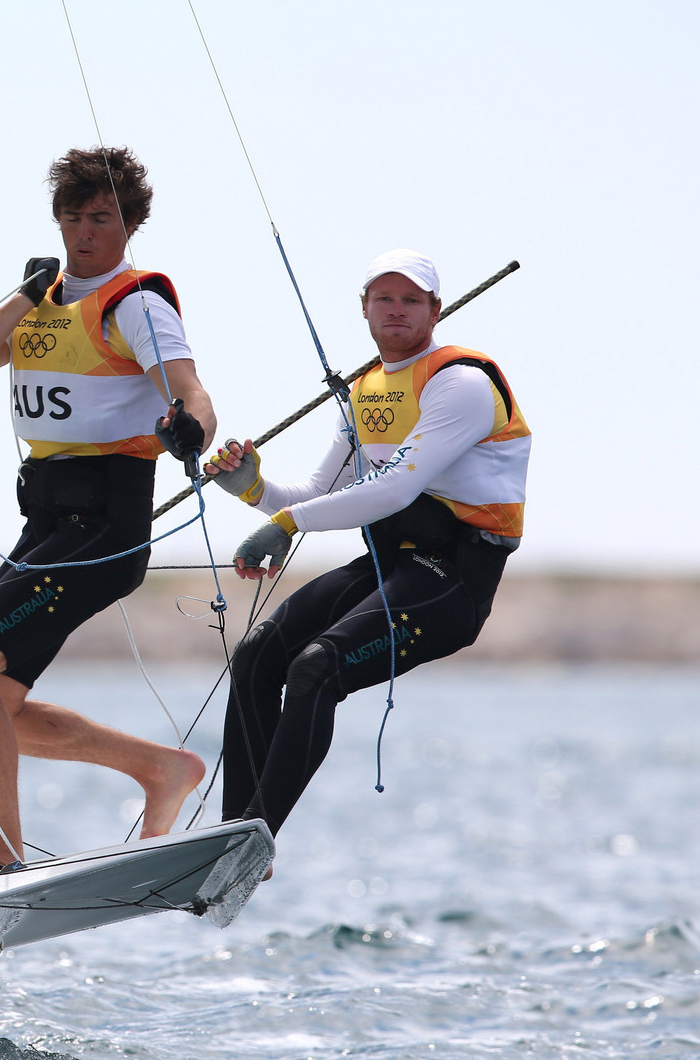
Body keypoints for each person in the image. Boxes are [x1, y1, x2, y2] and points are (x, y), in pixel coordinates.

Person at [0, 146, 214, 880]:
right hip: (46, 525)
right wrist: (23, 298)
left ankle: (0, 855)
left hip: (107, 526)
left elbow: (193, 395)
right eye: (73, 217)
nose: (86, 231)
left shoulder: (134, 303)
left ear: (130, 223)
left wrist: (192, 429)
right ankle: (158, 769)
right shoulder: (41, 304)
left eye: (102, 218)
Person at [205, 248, 530, 841]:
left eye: (412, 300)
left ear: (435, 310)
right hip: (389, 564)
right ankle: (229, 837)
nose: (397, 310)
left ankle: (254, 835)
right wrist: (253, 488)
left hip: (453, 579)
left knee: (316, 667)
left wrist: (286, 523)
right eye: (385, 297)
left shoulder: (461, 384)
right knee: (257, 655)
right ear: (364, 309)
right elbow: (322, 489)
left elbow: (393, 490)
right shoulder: (366, 390)